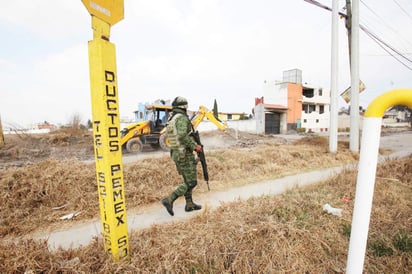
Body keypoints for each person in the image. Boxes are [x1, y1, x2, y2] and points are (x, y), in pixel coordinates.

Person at [161, 96, 203, 216]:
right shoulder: (182, 118)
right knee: (191, 182)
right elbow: (182, 136)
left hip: (177, 153)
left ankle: (189, 204)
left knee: (186, 180)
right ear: (184, 107)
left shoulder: (172, 118)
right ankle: (169, 200)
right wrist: (195, 146)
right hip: (184, 154)